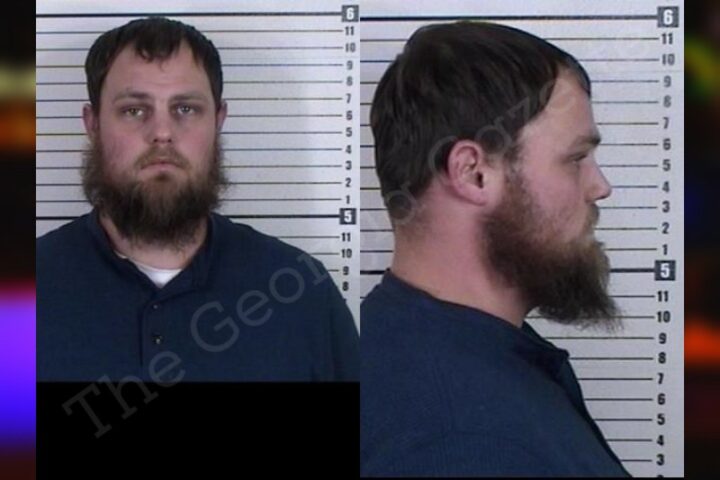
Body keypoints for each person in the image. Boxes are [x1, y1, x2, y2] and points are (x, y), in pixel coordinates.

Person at [361, 22, 631, 476]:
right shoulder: (460, 444)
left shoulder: (424, 352)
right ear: (473, 173)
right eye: (575, 159)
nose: (600, 186)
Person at [36, 17, 359, 382]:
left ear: (219, 120)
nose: (162, 133)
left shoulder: (301, 294)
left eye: (185, 108)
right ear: (92, 124)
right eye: (133, 110)